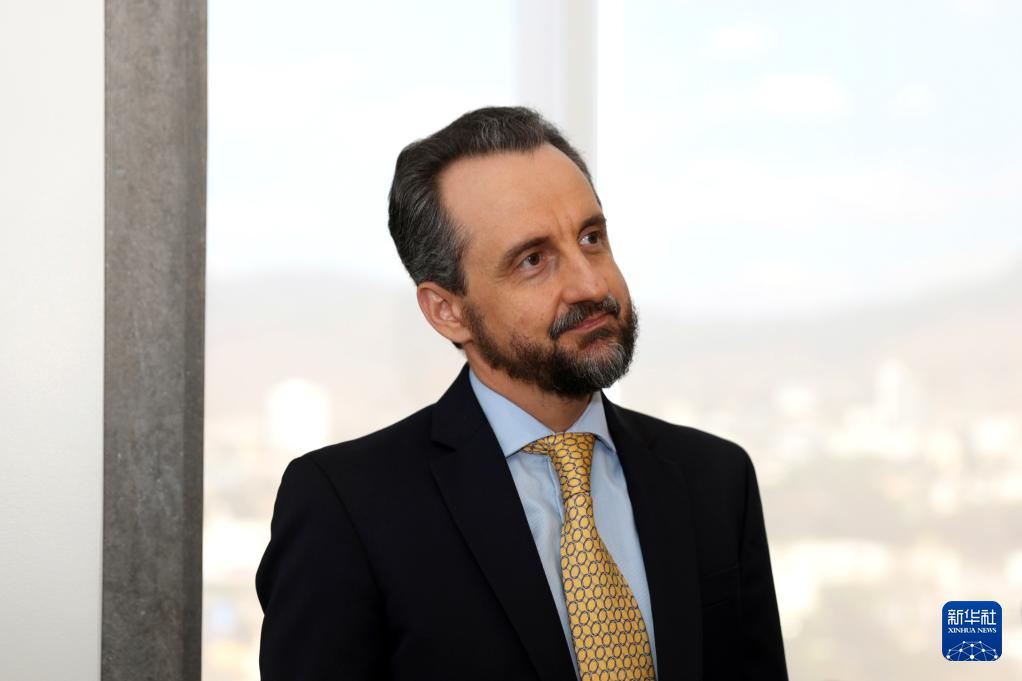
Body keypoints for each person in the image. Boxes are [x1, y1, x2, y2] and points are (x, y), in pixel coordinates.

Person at [255, 106, 788, 681]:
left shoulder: (715, 480)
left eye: (591, 238)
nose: (591, 284)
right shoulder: (346, 509)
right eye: (534, 260)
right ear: (447, 310)